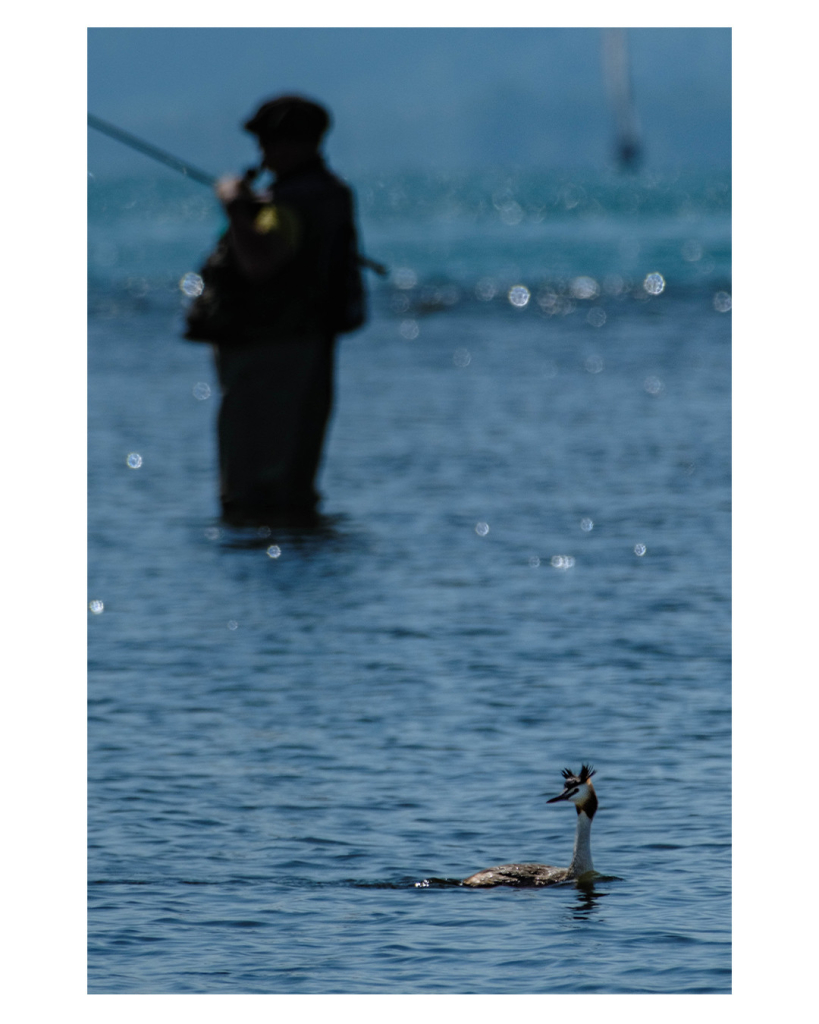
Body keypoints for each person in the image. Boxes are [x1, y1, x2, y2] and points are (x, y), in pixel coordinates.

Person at [184, 95, 365, 527]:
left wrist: (234, 207)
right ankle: (297, 535)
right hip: (308, 344)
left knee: (253, 480)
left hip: (270, 352)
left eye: (270, 142)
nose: (264, 153)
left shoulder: (288, 204)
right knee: (292, 469)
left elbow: (260, 264)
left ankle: (264, 540)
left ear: (293, 144)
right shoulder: (328, 193)